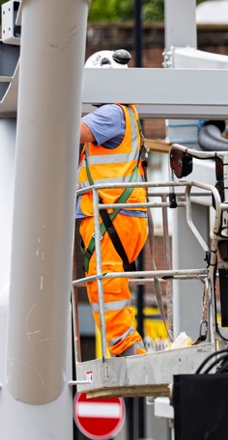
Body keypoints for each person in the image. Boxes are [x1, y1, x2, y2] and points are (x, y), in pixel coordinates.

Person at [77, 49, 148, 357]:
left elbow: (70, 131)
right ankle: (124, 348)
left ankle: (127, 350)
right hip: (119, 216)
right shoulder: (126, 114)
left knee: (106, 282)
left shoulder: (112, 114)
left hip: (111, 215)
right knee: (105, 282)